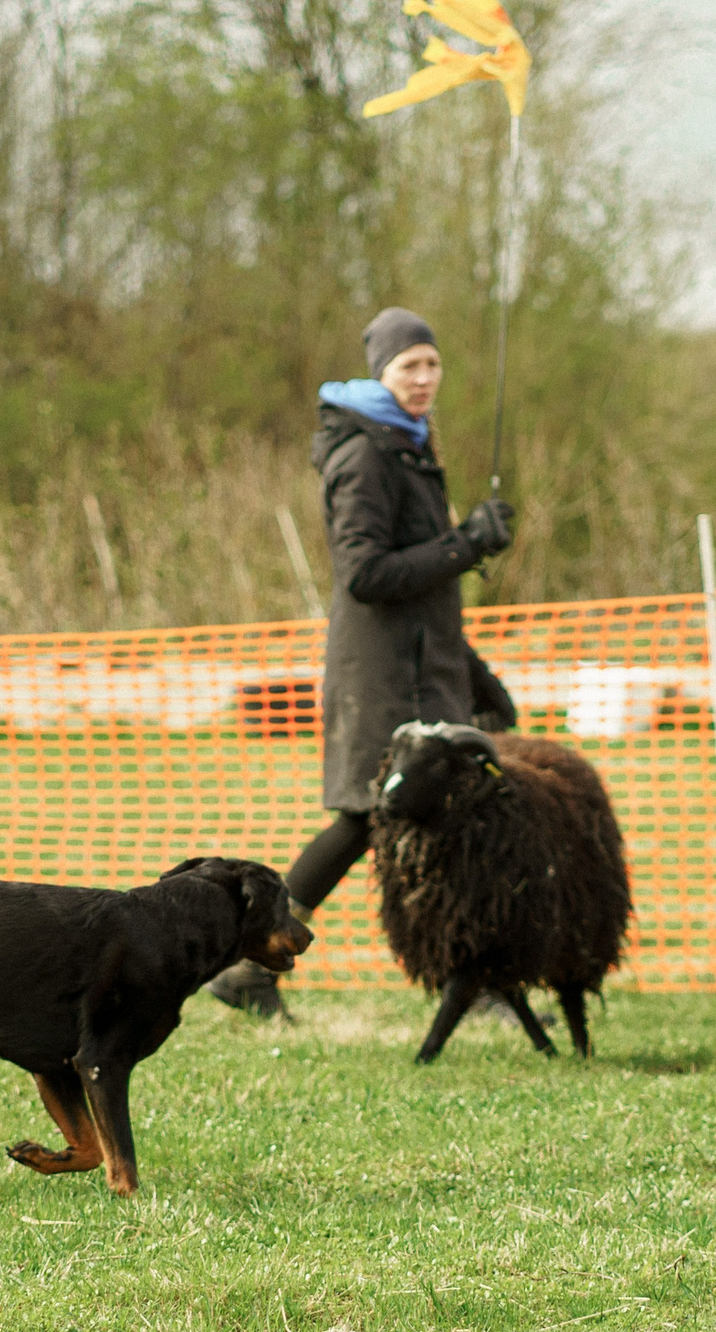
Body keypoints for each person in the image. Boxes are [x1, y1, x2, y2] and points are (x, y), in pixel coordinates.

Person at [208, 306, 517, 1018]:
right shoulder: (366, 454)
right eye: (409, 365)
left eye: (432, 363)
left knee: (419, 823)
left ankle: (254, 970)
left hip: (423, 670)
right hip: (382, 681)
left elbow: (425, 591)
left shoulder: (409, 445)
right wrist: (466, 542)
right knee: (366, 819)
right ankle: (256, 964)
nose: (424, 377)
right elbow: (366, 575)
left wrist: (475, 675)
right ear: (380, 371)